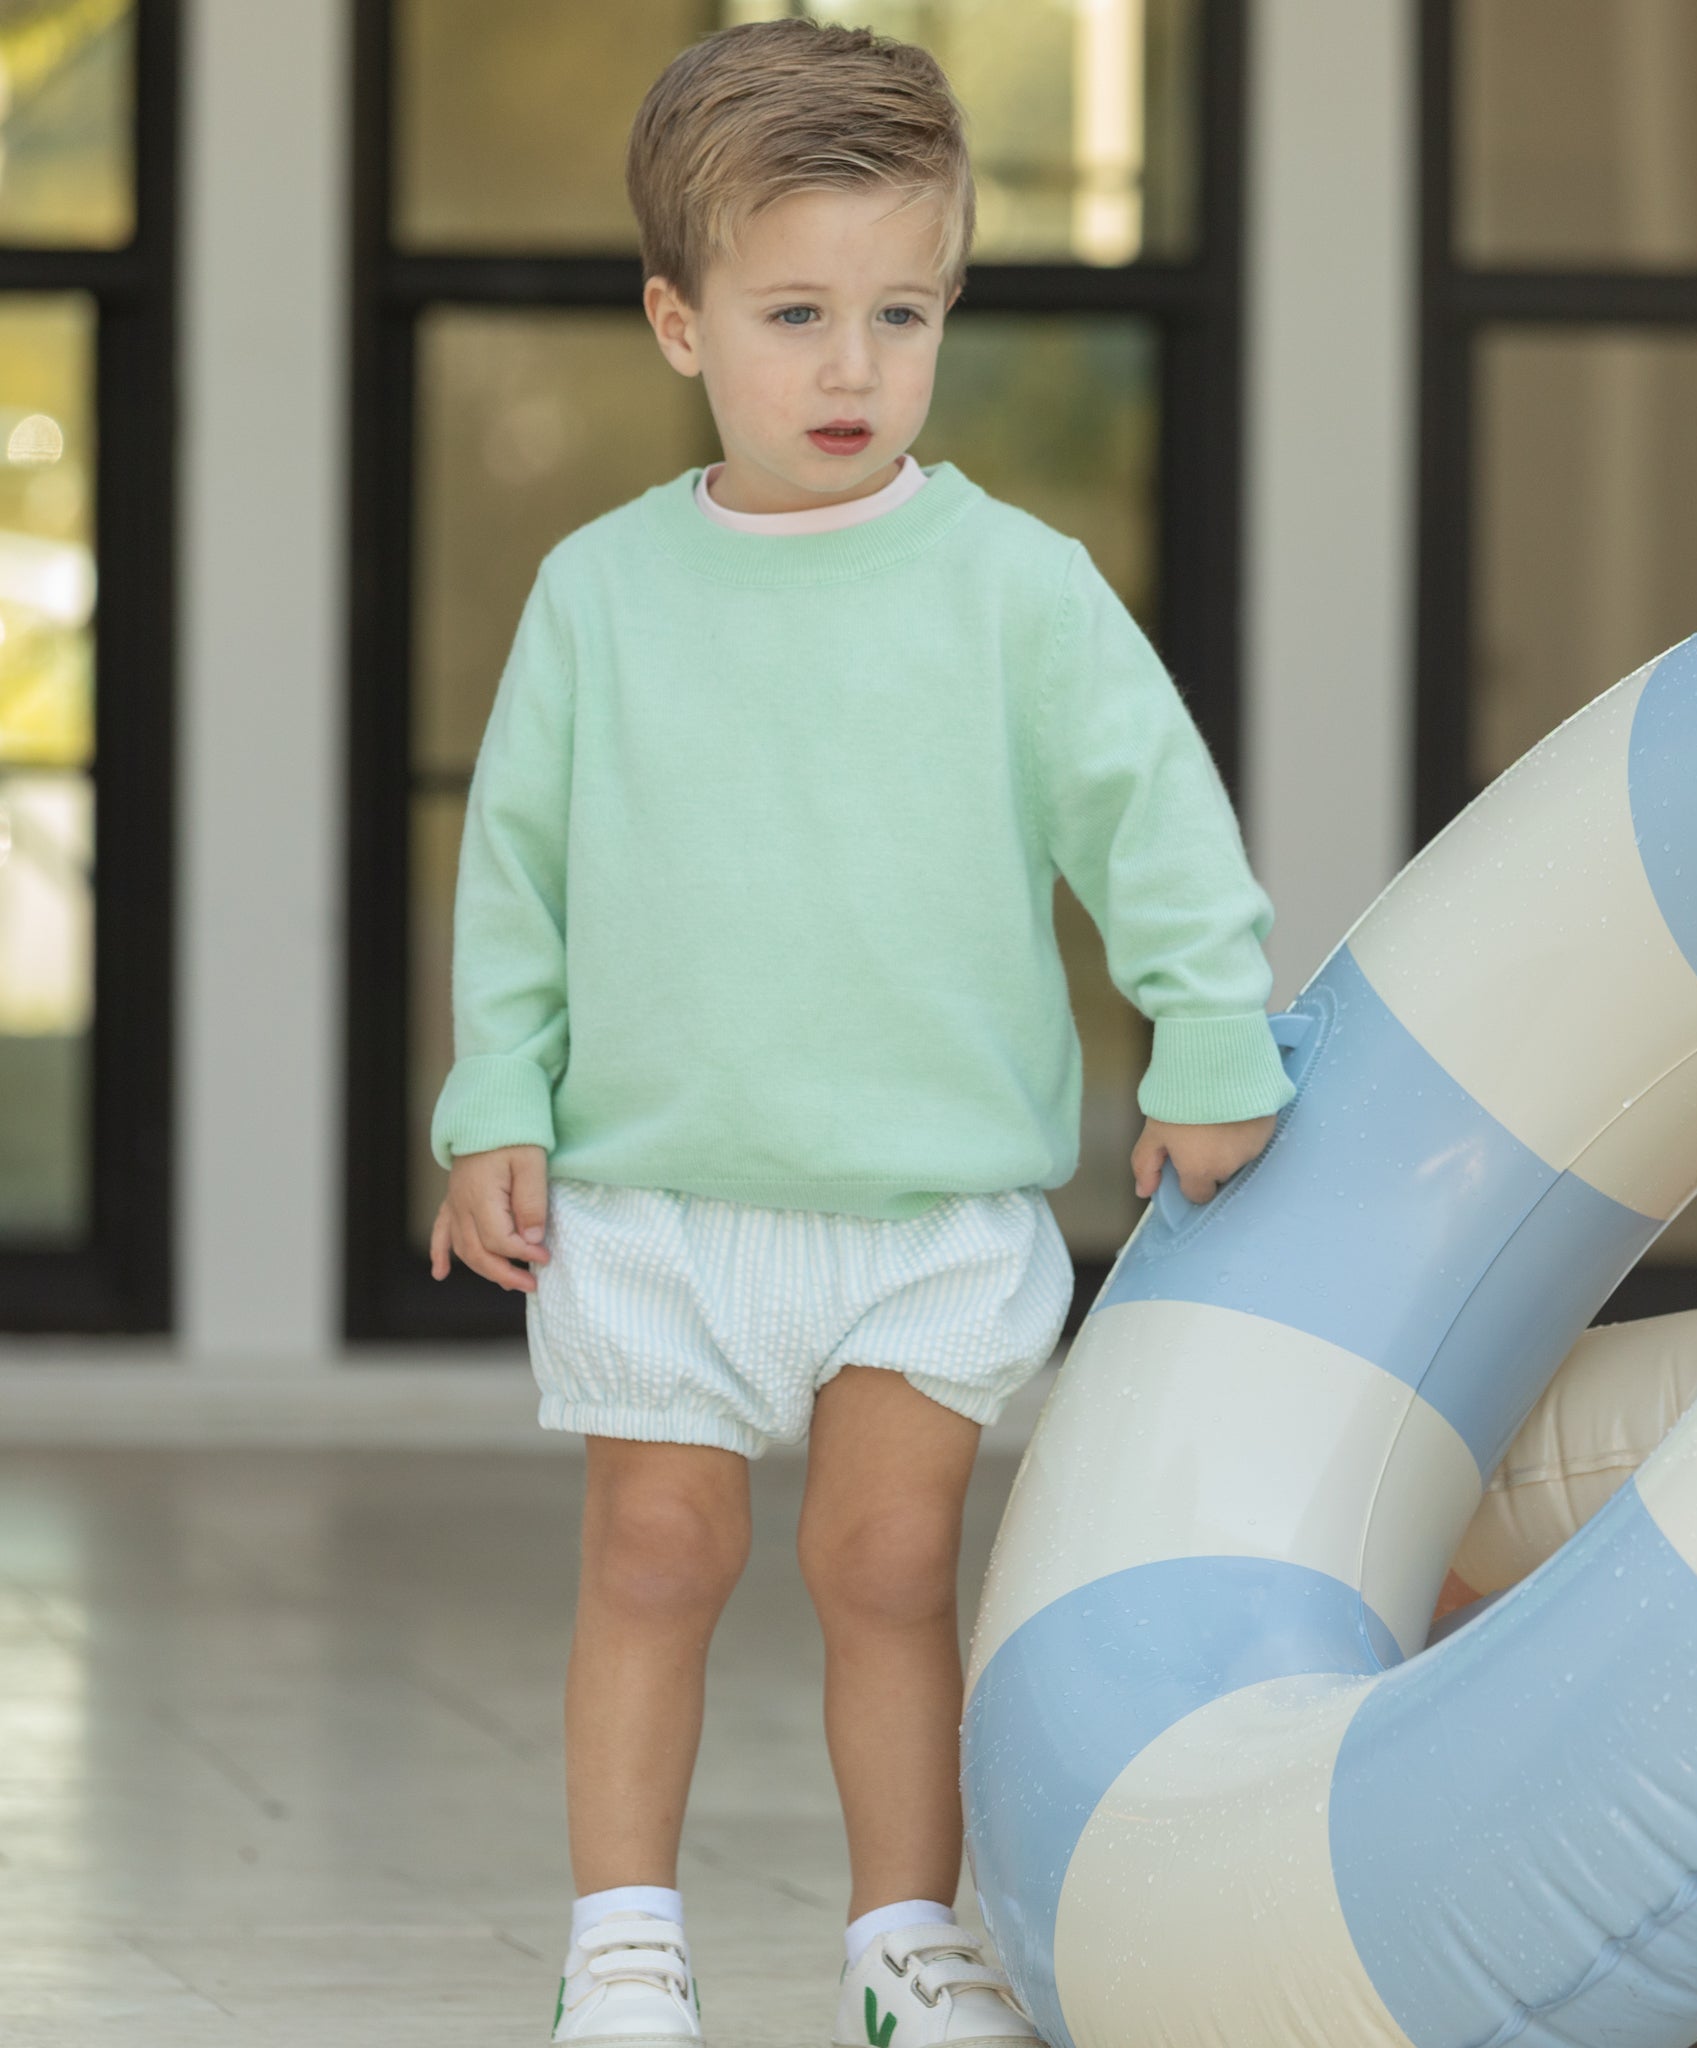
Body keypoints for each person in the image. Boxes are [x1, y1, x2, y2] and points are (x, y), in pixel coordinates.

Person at [426, 17, 1295, 2046]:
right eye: (795, 311)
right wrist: (496, 1103)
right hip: (655, 1195)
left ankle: (904, 1934)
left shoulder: (1016, 588)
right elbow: (520, 877)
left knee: (890, 1568)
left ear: (947, 309)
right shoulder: (601, 594)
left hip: (929, 1200)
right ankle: (623, 1935)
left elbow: (1152, 824)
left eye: (898, 313)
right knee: (654, 1553)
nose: (849, 366)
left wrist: (1209, 1043)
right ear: (677, 319)